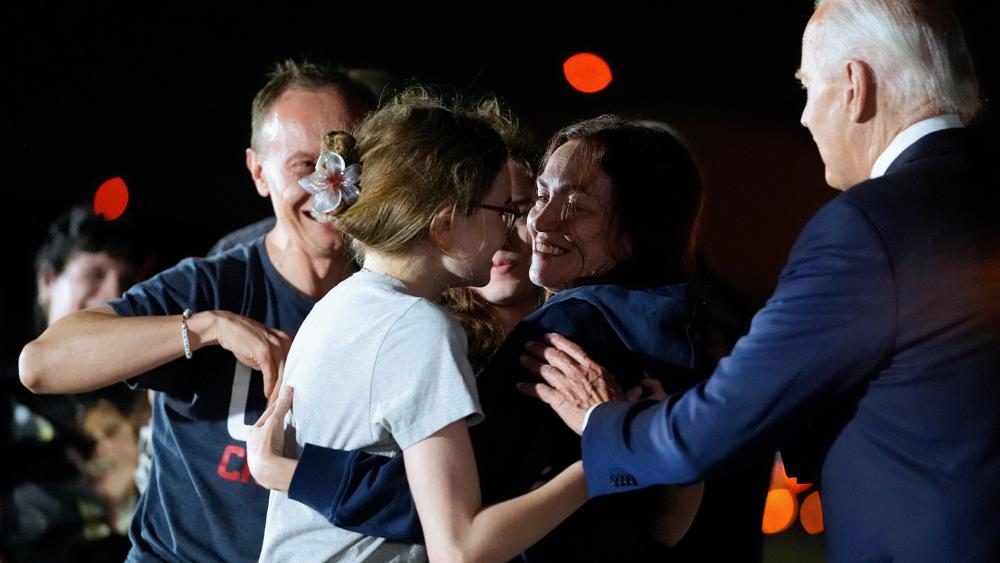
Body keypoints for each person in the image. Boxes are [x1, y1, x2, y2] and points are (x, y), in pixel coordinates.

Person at [522, 1, 1000, 561]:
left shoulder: (867, 226)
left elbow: (725, 421)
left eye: (806, 88)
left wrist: (608, 422)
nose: (803, 117)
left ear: (854, 85)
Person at [249, 115, 712, 562]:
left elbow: (441, 508)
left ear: (639, 231)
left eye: (576, 206)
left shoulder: (569, 333)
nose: (539, 223)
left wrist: (293, 472)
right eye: (537, 197)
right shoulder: (671, 326)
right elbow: (661, 528)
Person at [18, 59, 372, 562]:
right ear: (259, 172)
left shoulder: (382, 300)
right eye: (304, 166)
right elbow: (40, 364)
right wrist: (208, 327)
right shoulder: (216, 285)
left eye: (346, 159)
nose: (330, 185)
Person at [256, 90, 589, 563]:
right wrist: (598, 467)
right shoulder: (417, 327)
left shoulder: (340, 305)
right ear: (447, 225)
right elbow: (461, 548)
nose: (516, 229)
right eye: (504, 212)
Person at [4, 204, 152, 562]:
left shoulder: (152, 396)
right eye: (93, 274)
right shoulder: (9, 398)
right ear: (47, 281)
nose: (114, 296)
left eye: (128, 282)